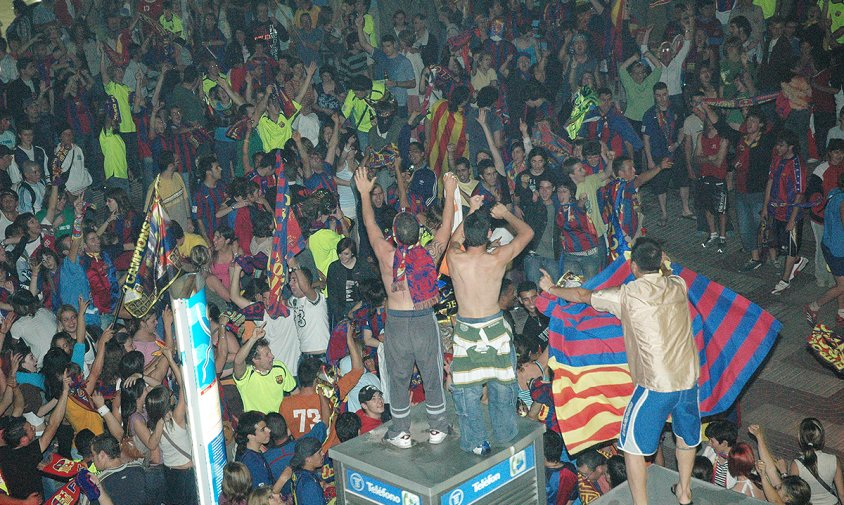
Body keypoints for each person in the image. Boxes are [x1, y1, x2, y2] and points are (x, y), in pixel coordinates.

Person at [537, 238, 700, 505]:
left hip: (655, 385)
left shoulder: (627, 294)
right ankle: (684, 491)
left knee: (631, 448)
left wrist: (551, 288)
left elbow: (581, 296)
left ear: (633, 266)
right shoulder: (678, 285)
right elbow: (668, 267)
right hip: (689, 380)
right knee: (686, 438)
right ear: (659, 262)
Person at [354, 166, 457, 449]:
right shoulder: (428, 254)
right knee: (432, 373)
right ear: (418, 235)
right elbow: (446, 230)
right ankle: (438, 427)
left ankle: (400, 431)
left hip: (397, 323)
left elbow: (369, 226)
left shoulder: (387, 254)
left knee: (397, 377)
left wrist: (364, 194)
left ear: (396, 237)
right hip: (423, 319)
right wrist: (450, 193)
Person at [446, 197, 533, 455]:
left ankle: (476, 443)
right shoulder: (497, 258)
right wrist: (505, 212)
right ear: (488, 234)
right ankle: (506, 435)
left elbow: (455, 237)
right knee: (503, 385)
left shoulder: (454, 256)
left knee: (467, 391)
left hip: (466, 330)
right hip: (494, 328)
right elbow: (527, 232)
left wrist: (471, 210)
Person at [789, 418, 844, 504]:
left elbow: (793, 494)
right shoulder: (834, 460)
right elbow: (842, 494)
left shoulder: (796, 464)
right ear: (822, 438)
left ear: (800, 438)